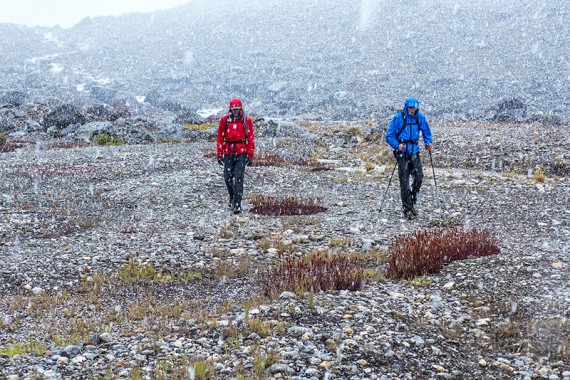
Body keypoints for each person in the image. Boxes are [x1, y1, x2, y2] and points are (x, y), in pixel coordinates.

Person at [385, 97, 433, 220]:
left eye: (414, 108)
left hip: (415, 151)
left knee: (419, 177)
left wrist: (428, 142)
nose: (412, 110)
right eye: (410, 108)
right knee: (404, 181)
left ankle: (412, 200)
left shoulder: (420, 117)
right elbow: (389, 136)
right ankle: (407, 208)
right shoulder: (398, 118)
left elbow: (426, 131)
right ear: (406, 107)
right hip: (402, 153)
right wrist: (398, 145)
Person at [217, 98, 255, 214]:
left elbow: (250, 137)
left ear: (240, 108)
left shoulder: (246, 120)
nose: (236, 111)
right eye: (234, 109)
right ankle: (232, 196)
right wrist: (219, 154)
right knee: (227, 177)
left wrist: (250, 154)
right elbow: (220, 137)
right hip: (228, 152)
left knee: (239, 178)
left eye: (237, 109)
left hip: (241, 152)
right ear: (231, 109)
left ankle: (238, 204)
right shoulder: (225, 120)